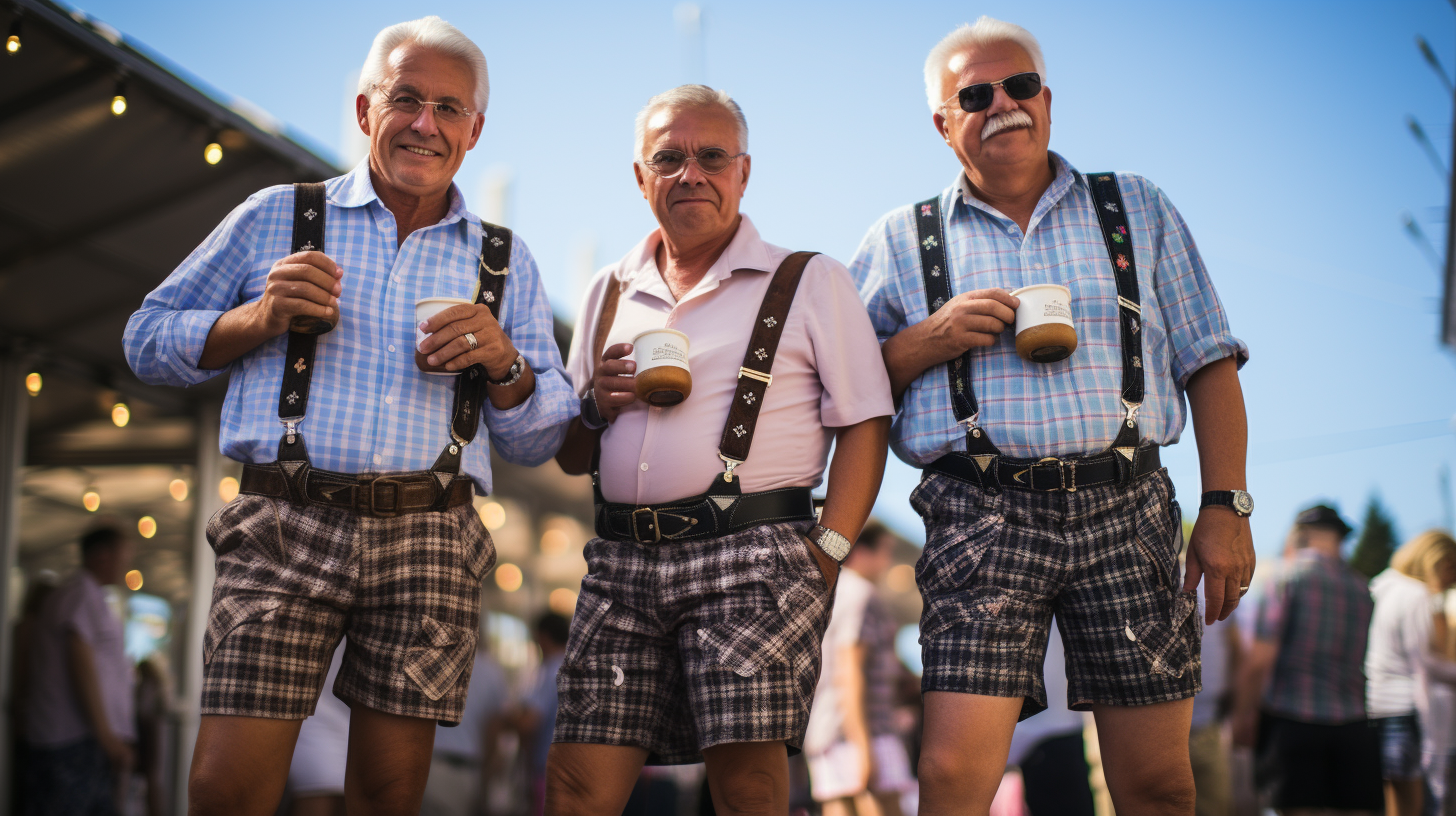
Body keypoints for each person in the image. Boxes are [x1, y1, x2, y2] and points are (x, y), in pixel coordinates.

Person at [123, 16, 574, 815]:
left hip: (430, 529)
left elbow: (540, 437)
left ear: (473, 130)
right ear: (367, 111)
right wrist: (255, 319)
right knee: (226, 787)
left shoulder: (504, 259)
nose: (425, 124)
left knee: (389, 794)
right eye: (406, 99)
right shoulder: (277, 214)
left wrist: (504, 363)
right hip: (283, 517)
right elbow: (145, 340)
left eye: (448, 107)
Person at [849, 16, 1252, 816]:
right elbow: (849, 394)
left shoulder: (1136, 205)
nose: (1003, 103)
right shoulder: (900, 240)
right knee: (953, 778)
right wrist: (925, 341)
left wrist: (1224, 505)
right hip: (978, 511)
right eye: (975, 94)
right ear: (943, 121)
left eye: (1020, 85)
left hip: (1129, 504)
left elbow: (1208, 358)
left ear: (1048, 100)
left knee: (1160, 785)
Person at [547, 84, 894, 816]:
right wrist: (594, 405)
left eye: (711, 157)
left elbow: (866, 420)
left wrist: (829, 548)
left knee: (749, 785)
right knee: (577, 781)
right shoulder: (606, 290)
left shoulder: (807, 278)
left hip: (752, 551)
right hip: (619, 559)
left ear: (743, 172)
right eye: (668, 158)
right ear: (640, 177)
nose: (690, 174)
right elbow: (574, 455)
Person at [1233, 505, 1381, 814]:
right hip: (1354, 723)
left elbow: (1260, 659)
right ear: (1338, 539)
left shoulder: (1286, 577)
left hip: (1294, 720)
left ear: (1299, 534)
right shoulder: (1361, 587)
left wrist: (1242, 716)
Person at [23, 526, 136, 816]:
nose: (127, 562)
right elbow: (81, 664)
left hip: (74, 741)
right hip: (72, 743)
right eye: (123, 554)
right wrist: (107, 737)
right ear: (101, 556)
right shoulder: (82, 594)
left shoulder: (83, 594)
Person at [804, 521, 913, 816]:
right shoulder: (860, 592)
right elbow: (849, 671)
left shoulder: (830, 590)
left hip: (826, 728)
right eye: (885, 552)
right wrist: (862, 747)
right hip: (867, 731)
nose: (887, 562)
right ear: (863, 551)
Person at [1366, 530, 1456, 816]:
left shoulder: (1381, 586)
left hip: (1375, 707)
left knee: (1392, 801)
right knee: (1416, 805)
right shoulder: (1415, 594)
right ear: (1435, 561)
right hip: (1406, 711)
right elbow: (1425, 664)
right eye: (1450, 568)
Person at [517, 612, 569, 816]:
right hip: (566, 769)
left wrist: (510, 718)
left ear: (543, 637)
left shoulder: (550, 670)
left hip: (547, 772)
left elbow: (529, 722)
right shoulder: (571, 668)